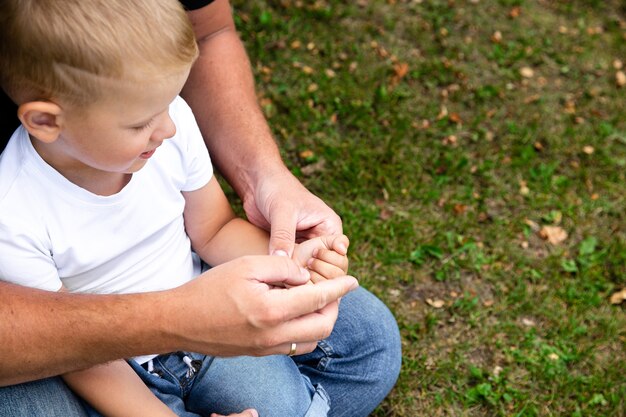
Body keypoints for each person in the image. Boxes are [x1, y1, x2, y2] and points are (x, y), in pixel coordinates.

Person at [0, 0, 401, 416]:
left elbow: (214, 230)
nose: (169, 128)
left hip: (208, 314)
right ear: (47, 122)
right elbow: (80, 356)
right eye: (141, 123)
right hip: (115, 363)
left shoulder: (167, 124)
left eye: (170, 102)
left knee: (293, 396)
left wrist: (294, 267)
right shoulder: (13, 212)